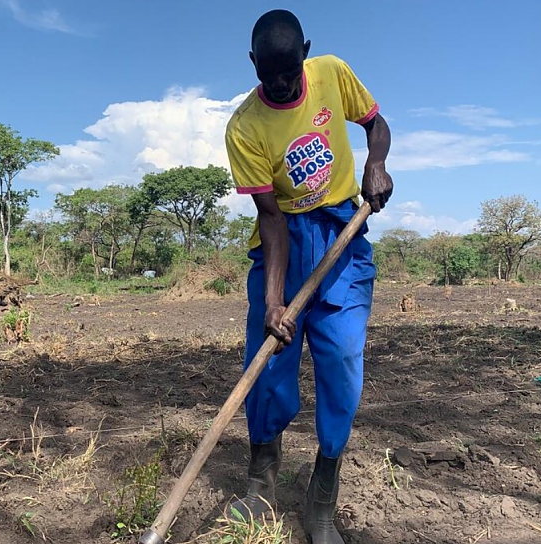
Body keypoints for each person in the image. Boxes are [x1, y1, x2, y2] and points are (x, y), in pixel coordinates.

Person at [223, 9, 393, 544]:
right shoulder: (244, 128)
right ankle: (262, 476)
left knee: (341, 361)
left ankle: (323, 491)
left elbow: (375, 125)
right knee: (269, 360)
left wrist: (376, 163)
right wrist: (274, 302)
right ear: (252, 63)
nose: (278, 82)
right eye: (266, 72)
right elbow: (270, 218)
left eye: (287, 70)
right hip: (285, 243)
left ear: (306, 53)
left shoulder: (331, 72)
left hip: (343, 236)